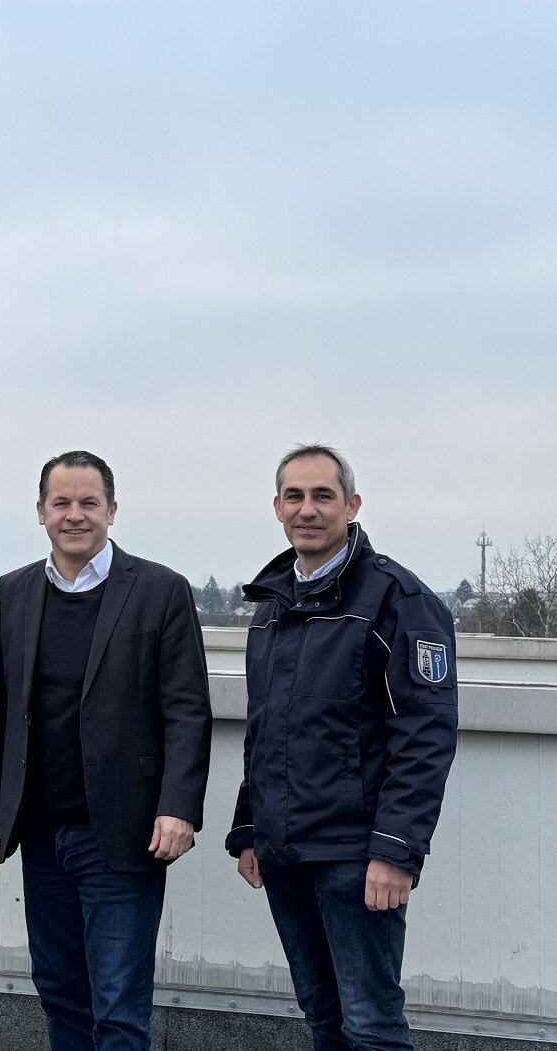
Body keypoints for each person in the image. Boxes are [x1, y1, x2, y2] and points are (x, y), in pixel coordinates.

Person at [0, 450, 212, 1051]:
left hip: (124, 835)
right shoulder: (15, 592)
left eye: (89, 503)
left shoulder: (160, 591)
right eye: (61, 503)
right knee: (59, 993)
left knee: (119, 1008)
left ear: (112, 510)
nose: (74, 515)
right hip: (41, 834)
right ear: (41, 512)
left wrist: (179, 806)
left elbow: (187, 711)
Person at [226, 444, 458, 1051]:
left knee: (372, 1026)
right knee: (323, 1020)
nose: (308, 509)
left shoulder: (400, 602)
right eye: (295, 496)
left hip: (357, 858)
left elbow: (425, 735)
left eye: (323, 495)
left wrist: (397, 852)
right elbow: (267, 729)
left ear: (352, 505)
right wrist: (248, 826)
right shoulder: (271, 609)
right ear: (277, 506)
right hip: (284, 853)